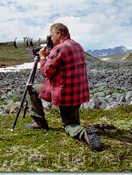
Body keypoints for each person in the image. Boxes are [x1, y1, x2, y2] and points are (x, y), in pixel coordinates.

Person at [25, 23, 101, 151]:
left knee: (68, 125)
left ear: (59, 33)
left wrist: (43, 57)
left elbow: (46, 72)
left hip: (64, 93)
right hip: (77, 93)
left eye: (51, 35)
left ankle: (83, 134)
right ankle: (82, 129)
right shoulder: (78, 46)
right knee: (72, 121)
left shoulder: (60, 48)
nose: (50, 38)